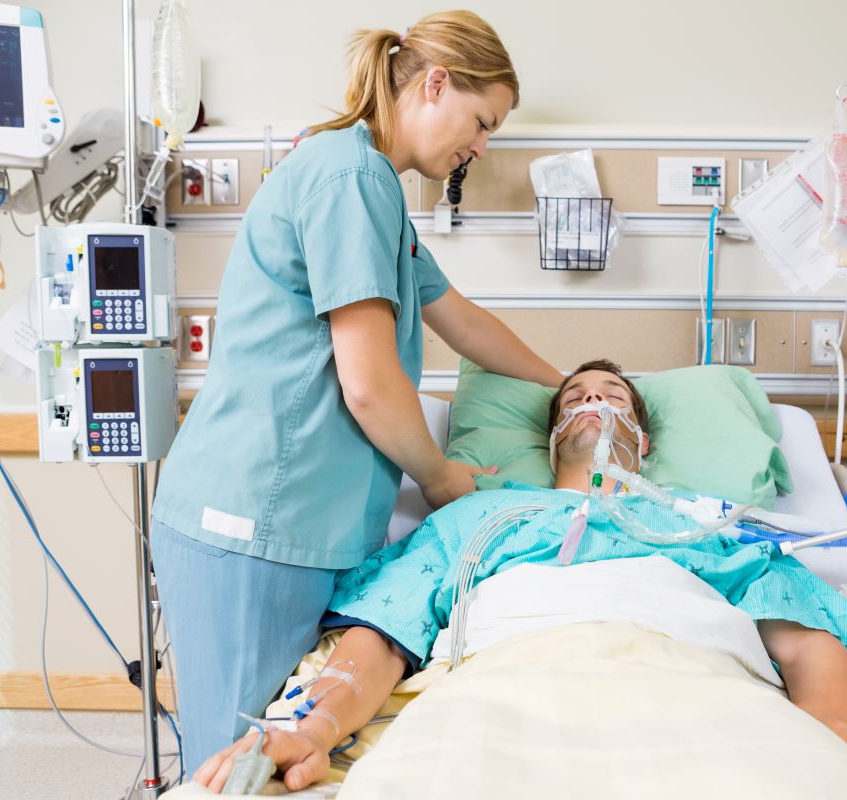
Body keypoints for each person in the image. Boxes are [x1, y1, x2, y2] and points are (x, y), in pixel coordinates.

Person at [193, 360, 847, 800]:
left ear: (643, 439)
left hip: (695, 682)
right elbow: (381, 634)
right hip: (505, 687)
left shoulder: (703, 523)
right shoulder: (480, 519)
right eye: (575, 398)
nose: (593, 404)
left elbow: (805, 638)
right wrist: (317, 726)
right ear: (553, 431)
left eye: (613, 397)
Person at [149, 11, 563, 772]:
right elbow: (369, 385)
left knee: (276, 757)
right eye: (482, 121)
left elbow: (464, 322)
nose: (481, 146)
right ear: (435, 83)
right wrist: (442, 480)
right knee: (236, 766)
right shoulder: (352, 177)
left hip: (285, 526)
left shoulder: (371, 190)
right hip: (250, 522)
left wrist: (568, 387)